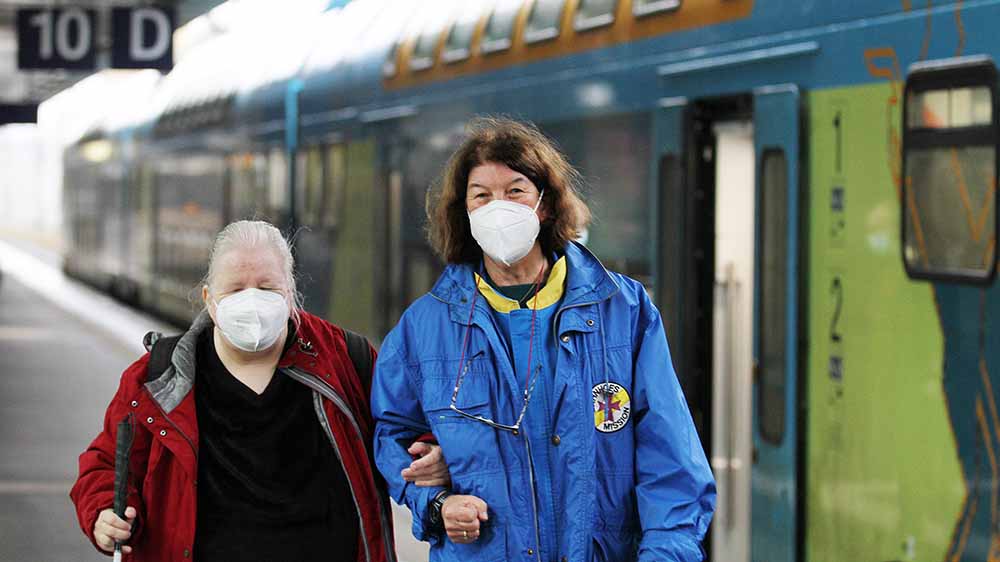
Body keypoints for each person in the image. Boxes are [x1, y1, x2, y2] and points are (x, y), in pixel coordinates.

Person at [371, 117, 716, 562]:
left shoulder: (622, 310)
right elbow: (390, 436)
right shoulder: (424, 329)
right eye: (481, 196)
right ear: (465, 214)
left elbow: (670, 458)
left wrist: (666, 555)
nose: (499, 207)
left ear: (546, 205)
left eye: (515, 191)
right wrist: (435, 505)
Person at [70, 220, 450, 562]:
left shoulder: (347, 360)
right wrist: (103, 513)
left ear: (289, 292)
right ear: (209, 300)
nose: (251, 300)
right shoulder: (157, 378)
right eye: (235, 288)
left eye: (266, 287)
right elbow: (105, 464)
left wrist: (433, 449)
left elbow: (406, 425)